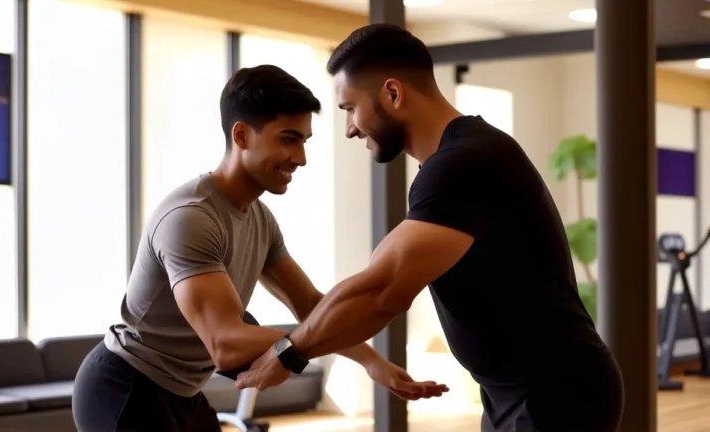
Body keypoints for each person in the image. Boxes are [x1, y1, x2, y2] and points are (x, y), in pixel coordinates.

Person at [234, 25, 626, 432]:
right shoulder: (459, 156)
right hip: (526, 390)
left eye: (350, 108)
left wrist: (288, 353)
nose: (350, 128)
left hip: (554, 394)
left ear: (393, 94)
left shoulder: (462, 163)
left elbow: (381, 290)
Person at [71, 64, 448, 432]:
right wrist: (304, 344)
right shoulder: (191, 218)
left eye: (303, 141)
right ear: (241, 136)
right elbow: (225, 343)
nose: (300, 158)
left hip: (182, 391)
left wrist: (369, 361)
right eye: (288, 139)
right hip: (124, 387)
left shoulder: (259, 218)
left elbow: (309, 305)